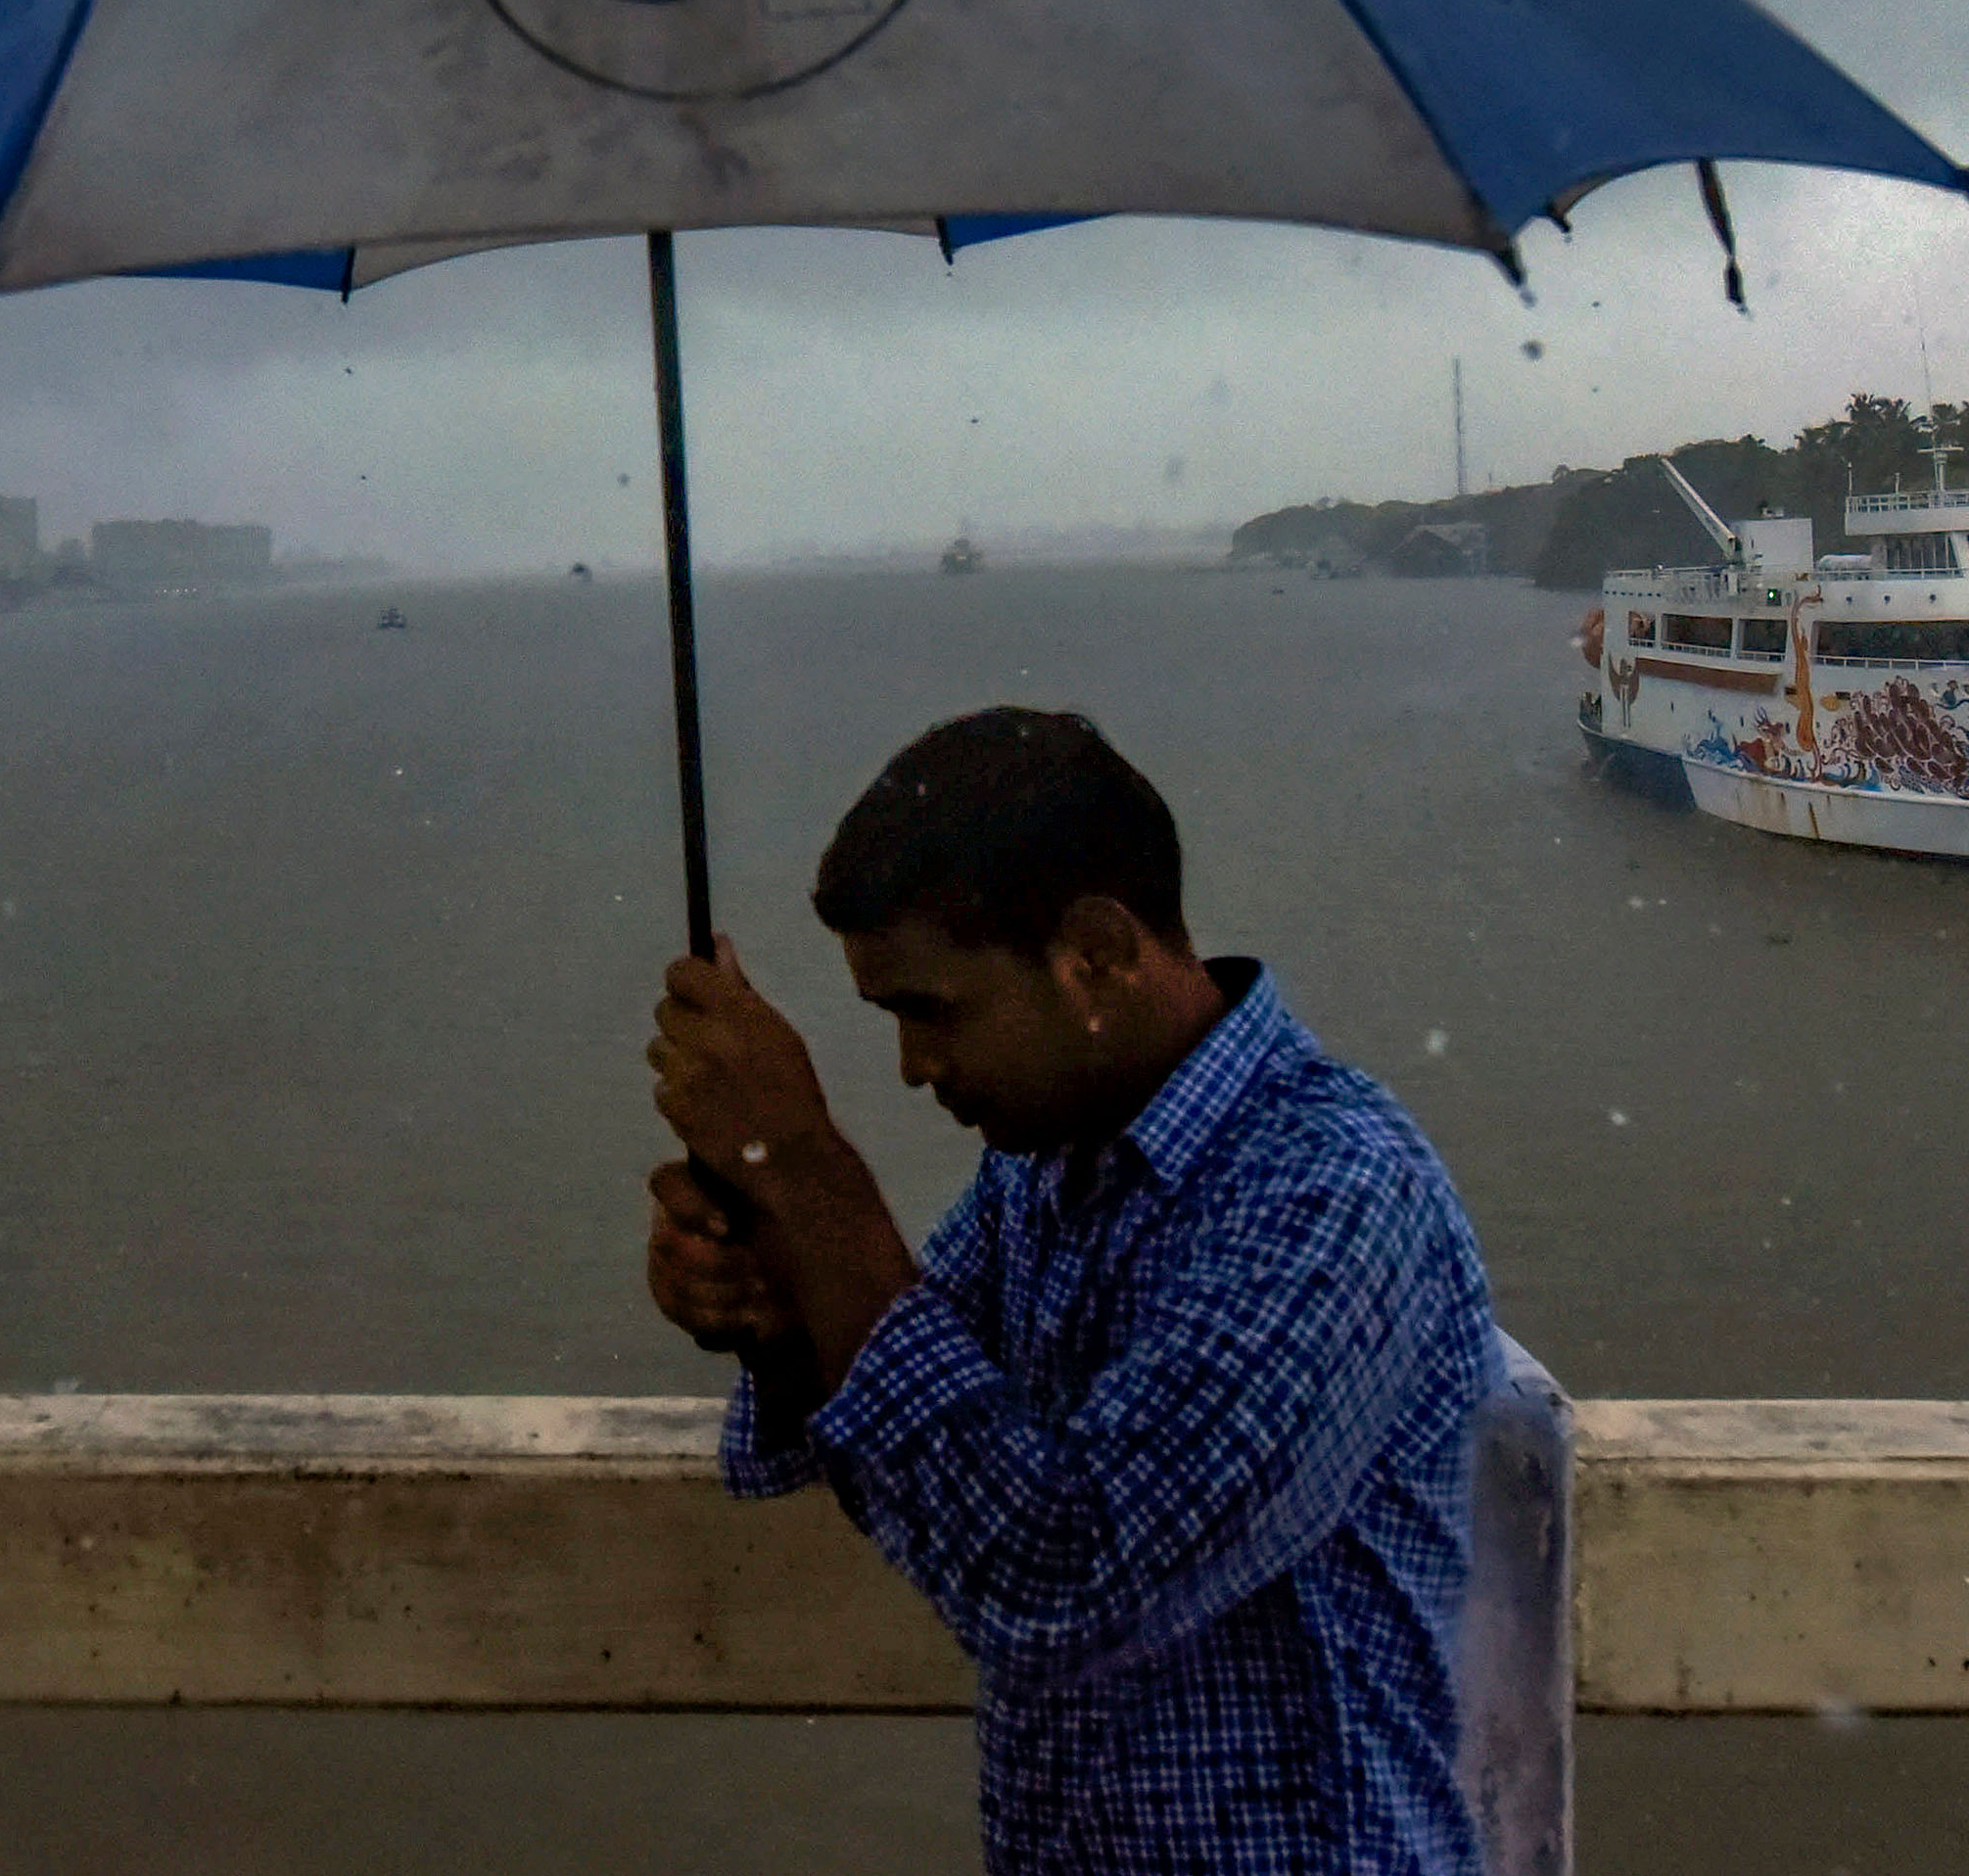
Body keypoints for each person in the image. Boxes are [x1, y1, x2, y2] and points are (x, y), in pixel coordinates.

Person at [642, 707, 1499, 1875]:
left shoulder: (1332, 1193)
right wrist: (782, 1310)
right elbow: (936, 1454)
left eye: (933, 1011)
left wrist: (808, 1177)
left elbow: (1057, 1578)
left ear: (1095, 951)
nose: (913, 1068)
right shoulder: (1041, 1169)